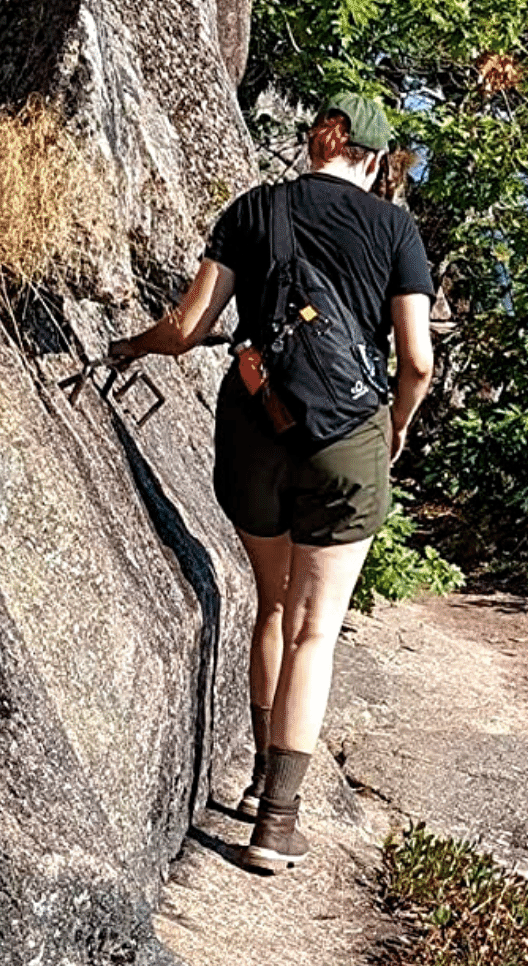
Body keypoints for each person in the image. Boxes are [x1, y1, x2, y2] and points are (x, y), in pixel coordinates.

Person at [108, 92, 435, 874]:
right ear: (375, 159)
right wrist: (395, 425)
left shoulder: (254, 209)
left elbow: (186, 329)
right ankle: (276, 825)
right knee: (315, 631)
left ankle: (258, 778)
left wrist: (126, 348)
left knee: (275, 604)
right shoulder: (396, 230)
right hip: (346, 443)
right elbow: (418, 362)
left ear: (316, 140)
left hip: (255, 431)